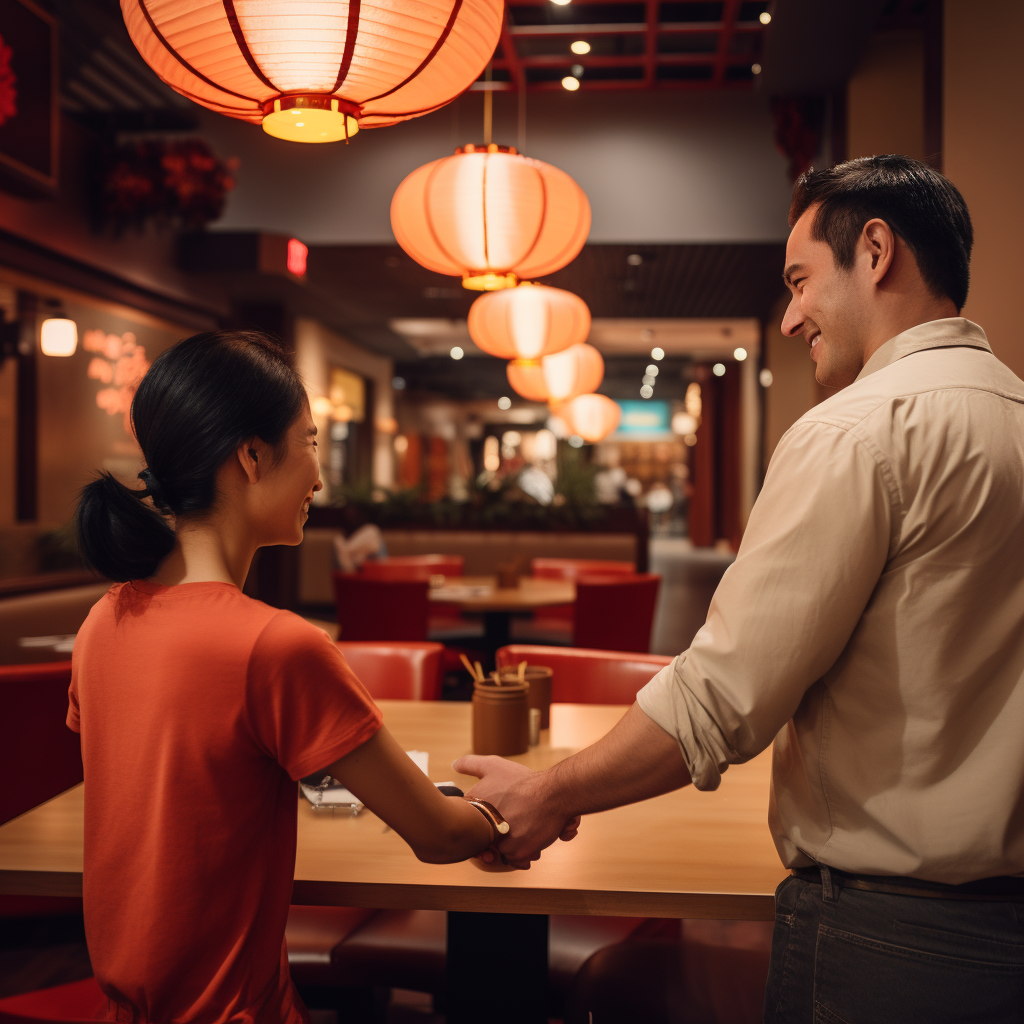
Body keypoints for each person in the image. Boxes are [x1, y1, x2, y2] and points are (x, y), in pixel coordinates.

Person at [457, 155, 1024, 1022]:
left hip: (888, 937)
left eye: (800, 281)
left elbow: (724, 695)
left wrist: (548, 795)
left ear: (876, 252)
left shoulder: (855, 432)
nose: (792, 315)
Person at [71, 331, 511, 1024]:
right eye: (309, 444)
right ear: (250, 456)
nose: (319, 476)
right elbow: (441, 837)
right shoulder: (275, 645)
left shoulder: (104, 622)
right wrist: (506, 806)